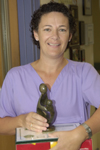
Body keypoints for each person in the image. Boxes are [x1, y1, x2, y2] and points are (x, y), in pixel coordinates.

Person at [0, 2, 100, 150]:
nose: (55, 36)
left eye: (62, 29)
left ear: (70, 35)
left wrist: (80, 134)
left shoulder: (84, 72)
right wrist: (21, 121)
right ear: (36, 34)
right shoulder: (15, 77)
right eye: (47, 29)